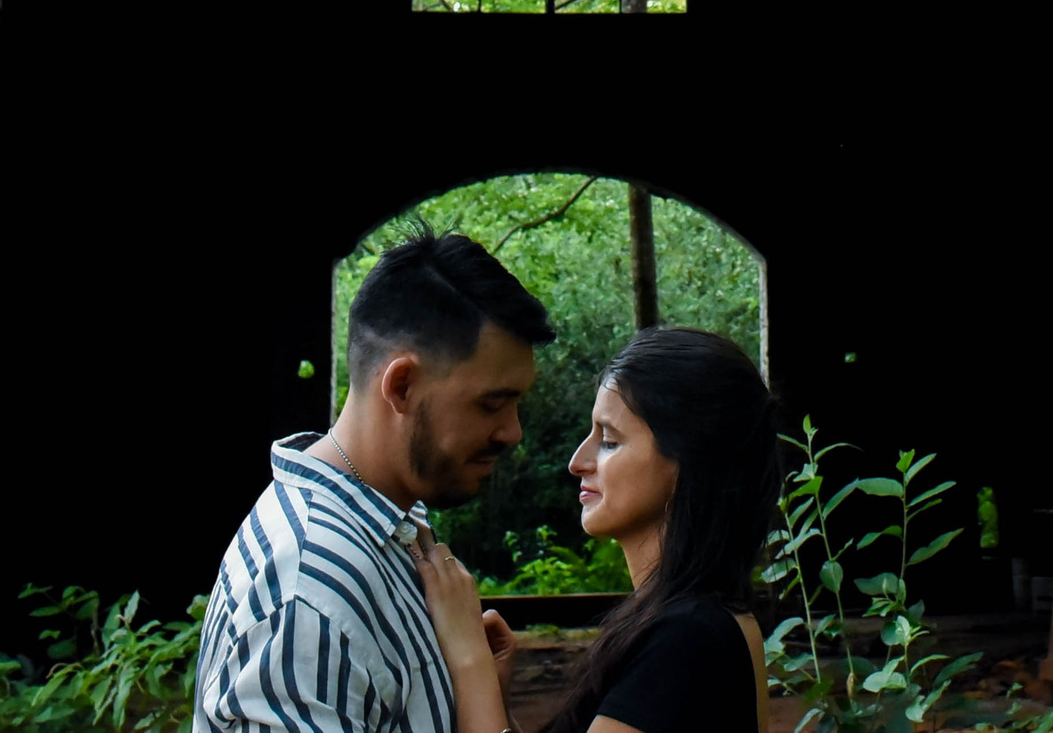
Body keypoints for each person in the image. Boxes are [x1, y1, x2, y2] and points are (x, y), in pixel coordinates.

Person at [195, 228, 555, 733]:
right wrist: (472, 676)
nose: (512, 432)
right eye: (491, 404)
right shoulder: (307, 595)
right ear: (402, 386)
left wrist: (478, 693)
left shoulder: (391, 526)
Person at [413, 327, 783, 733]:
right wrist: (496, 698)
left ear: (688, 462)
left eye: (608, 440)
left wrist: (469, 662)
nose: (577, 461)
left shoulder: (688, 638)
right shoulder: (707, 618)